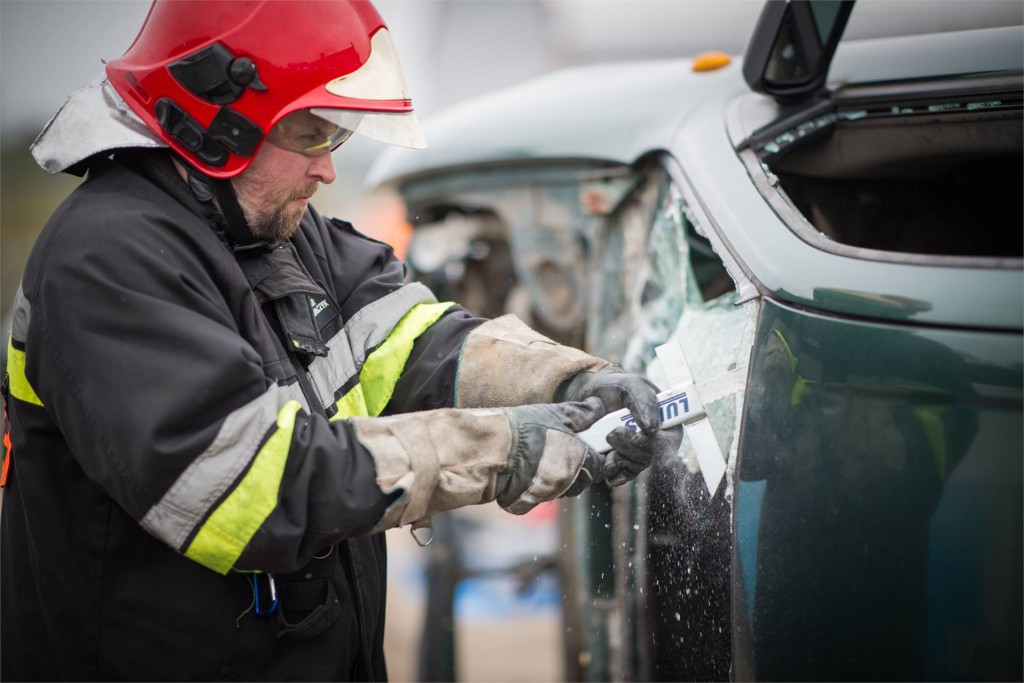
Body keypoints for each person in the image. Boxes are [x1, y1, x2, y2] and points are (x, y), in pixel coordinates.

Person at [0, 1, 683, 681]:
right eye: (309, 132)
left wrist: (571, 382)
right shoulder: (102, 261)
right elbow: (258, 489)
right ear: (216, 126)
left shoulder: (282, 234)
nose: (328, 170)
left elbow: (425, 343)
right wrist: (506, 447)